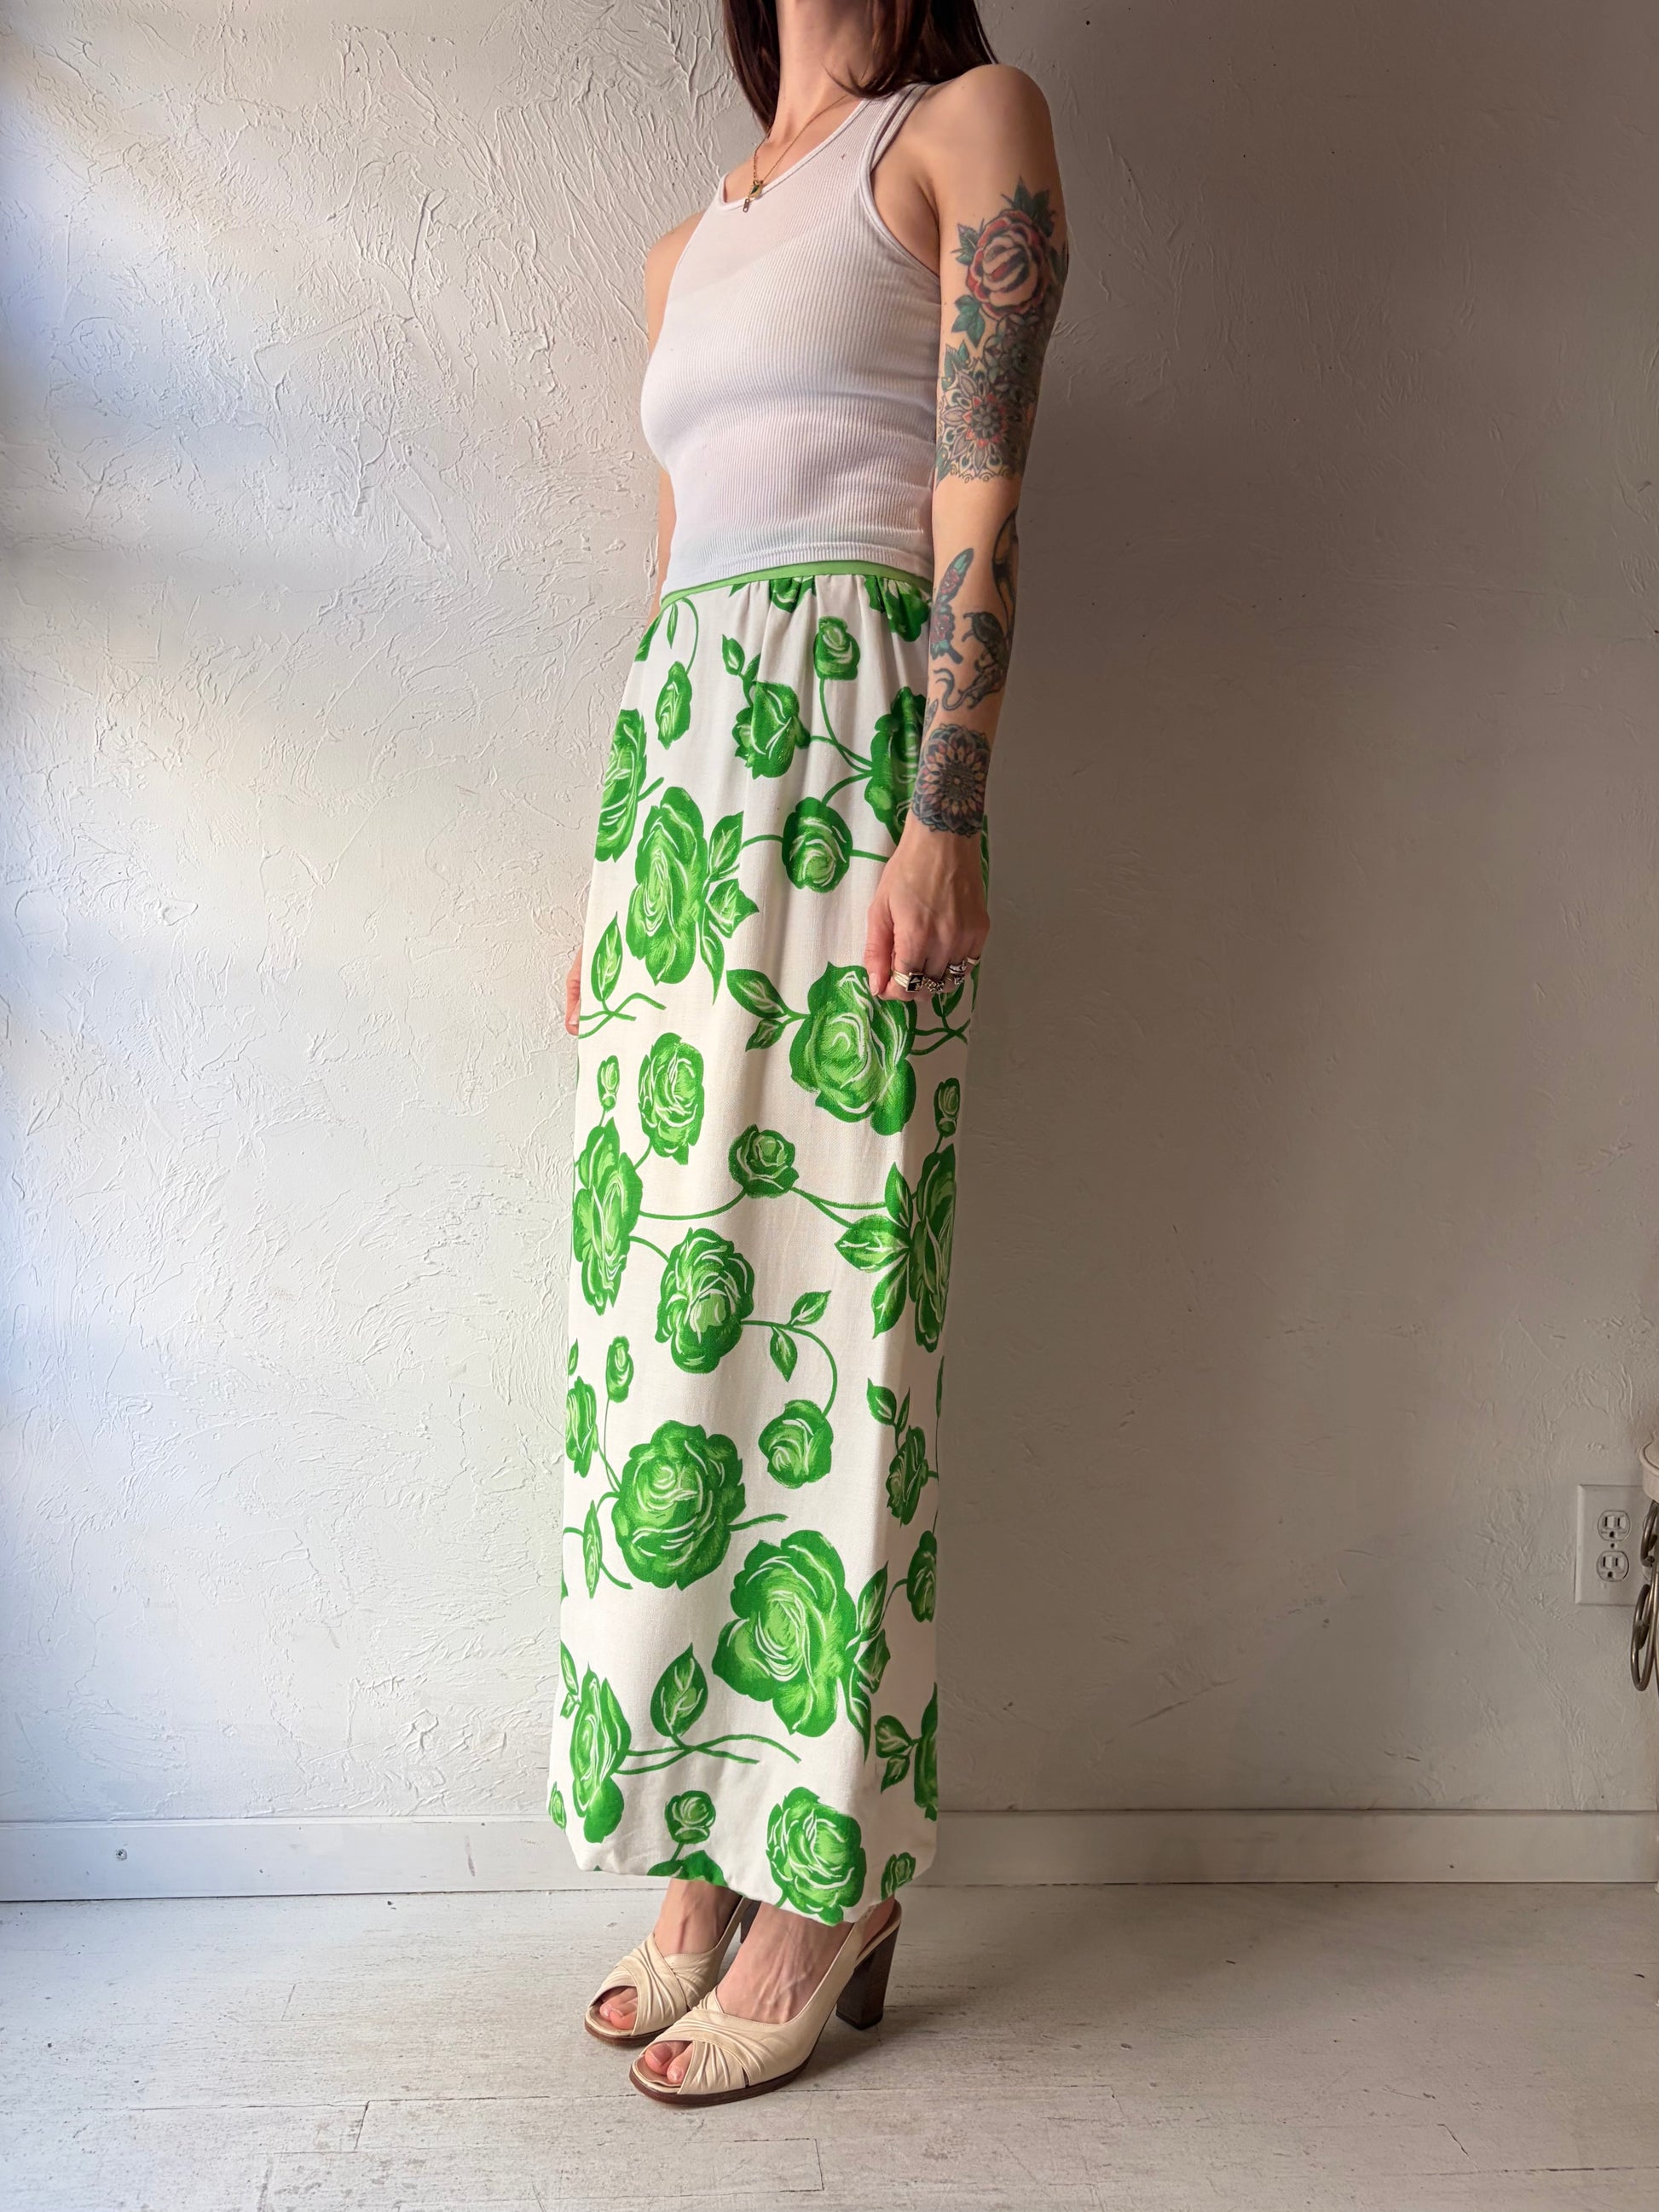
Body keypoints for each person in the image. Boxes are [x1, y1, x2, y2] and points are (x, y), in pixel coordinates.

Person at [548, 0, 1066, 2107]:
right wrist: (610, 881)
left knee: (841, 1320)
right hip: (679, 799)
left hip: (855, 765)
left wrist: (951, 811)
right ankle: (695, 1846)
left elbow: (978, 486)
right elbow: (674, 567)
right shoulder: (687, 247)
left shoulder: (964, 127)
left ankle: (820, 1874)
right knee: (662, 1330)